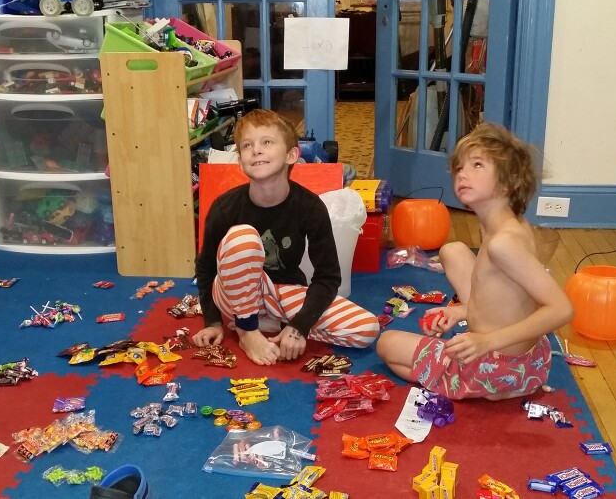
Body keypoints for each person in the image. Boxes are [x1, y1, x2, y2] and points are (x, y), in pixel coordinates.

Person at [376, 123, 573, 400]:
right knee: (453, 250)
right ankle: (493, 379)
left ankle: (475, 385)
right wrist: (461, 312)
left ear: (509, 180)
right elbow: (508, 297)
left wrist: (485, 341)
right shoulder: (507, 225)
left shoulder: (503, 243)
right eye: (459, 168)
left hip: (496, 365)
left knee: (387, 344)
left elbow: (561, 309)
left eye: (477, 165)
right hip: (529, 362)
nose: (463, 174)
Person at [192, 109, 379, 365]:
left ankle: (271, 325)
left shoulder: (310, 206)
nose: (256, 150)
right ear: (240, 161)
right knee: (243, 237)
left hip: (283, 292)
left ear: (292, 155)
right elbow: (205, 269)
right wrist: (213, 322)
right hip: (233, 295)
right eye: (247, 145)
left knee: (366, 329)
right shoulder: (226, 207)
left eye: (266, 142)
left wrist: (298, 327)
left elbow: (328, 277)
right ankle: (247, 330)